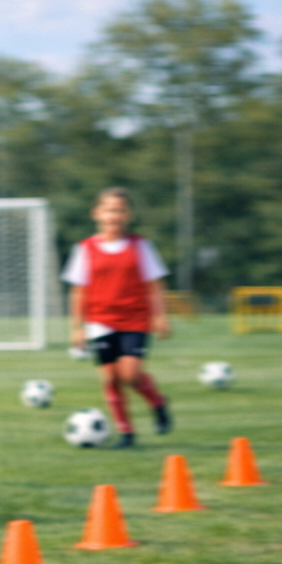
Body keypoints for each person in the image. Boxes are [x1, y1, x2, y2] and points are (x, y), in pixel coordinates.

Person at [62, 187, 173, 448]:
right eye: (110, 210)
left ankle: (157, 402)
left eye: (121, 210)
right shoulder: (85, 249)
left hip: (135, 319)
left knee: (130, 375)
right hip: (99, 320)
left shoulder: (141, 246)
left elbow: (155, 286)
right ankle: (126, 433)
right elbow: (78, 291)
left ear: (129, 215)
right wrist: (76, 328)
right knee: (110, 377)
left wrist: (162, 317)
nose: (115, 215)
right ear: (97, 214)